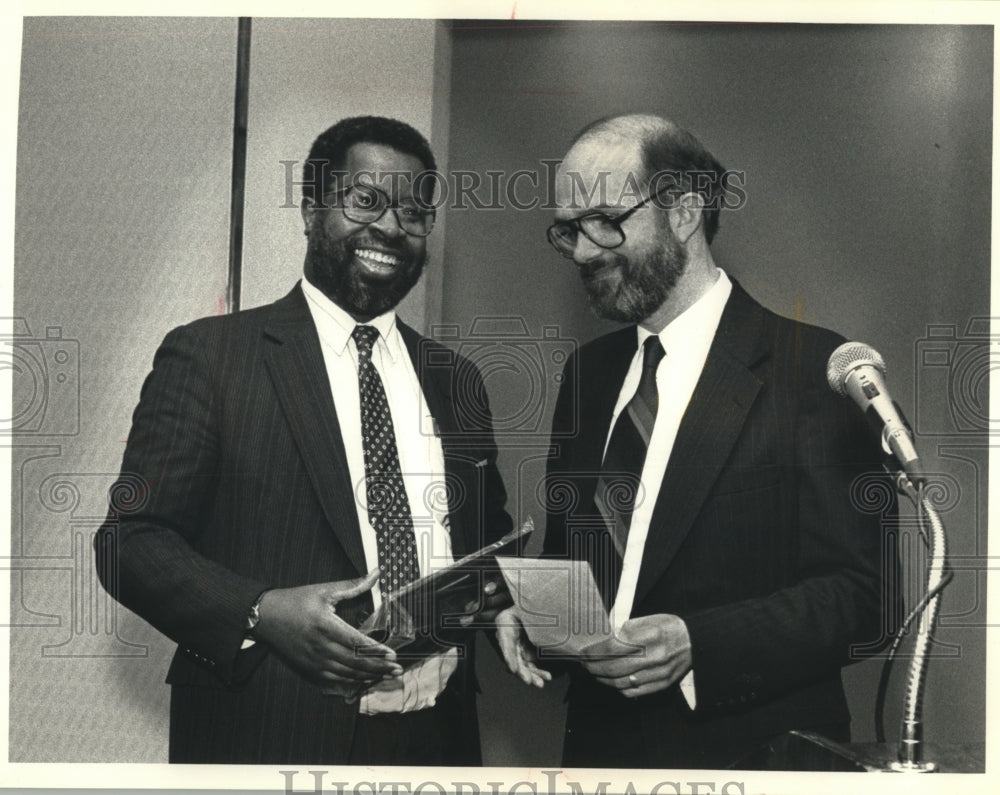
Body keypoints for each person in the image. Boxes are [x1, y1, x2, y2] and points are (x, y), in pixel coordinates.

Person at [95, 116, 512, 765]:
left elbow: (484, 542)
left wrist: (512, 601)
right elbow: (129, 541)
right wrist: (259, 610)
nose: (392, 228)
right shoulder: (211, 358)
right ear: (313, 207)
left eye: (414, 212)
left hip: (437, 738)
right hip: (270, 731)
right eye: (367, 200)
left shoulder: (457, 380)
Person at [497, 114, 900, 769]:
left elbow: (866, 595)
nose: (582, 250)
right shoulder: (587, 376)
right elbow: (583, 565)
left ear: (684, 210)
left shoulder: (814, 371)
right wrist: (532, 618)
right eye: (568, 229)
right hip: (597, 756)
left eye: (604, 219)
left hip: (753, 761)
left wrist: (698, 642)